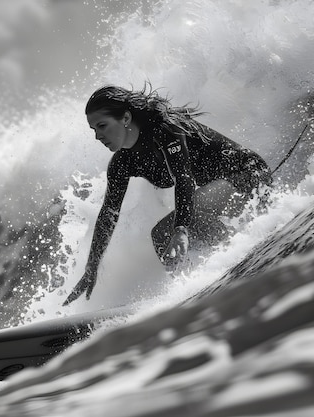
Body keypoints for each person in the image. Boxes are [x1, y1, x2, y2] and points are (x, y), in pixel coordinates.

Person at [63, 84, 272, 306]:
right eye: (93, 129)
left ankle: (233, 269)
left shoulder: (164, 130)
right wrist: (91, 266)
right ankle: (200, 288)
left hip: (247, 174)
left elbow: (184, 178)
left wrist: (181, 229)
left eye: (102, 126)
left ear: (125, 118)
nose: (97, 136)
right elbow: (109, 213)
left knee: (165, 232)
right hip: (223, 188)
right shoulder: (122, 163)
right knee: (162, 236)